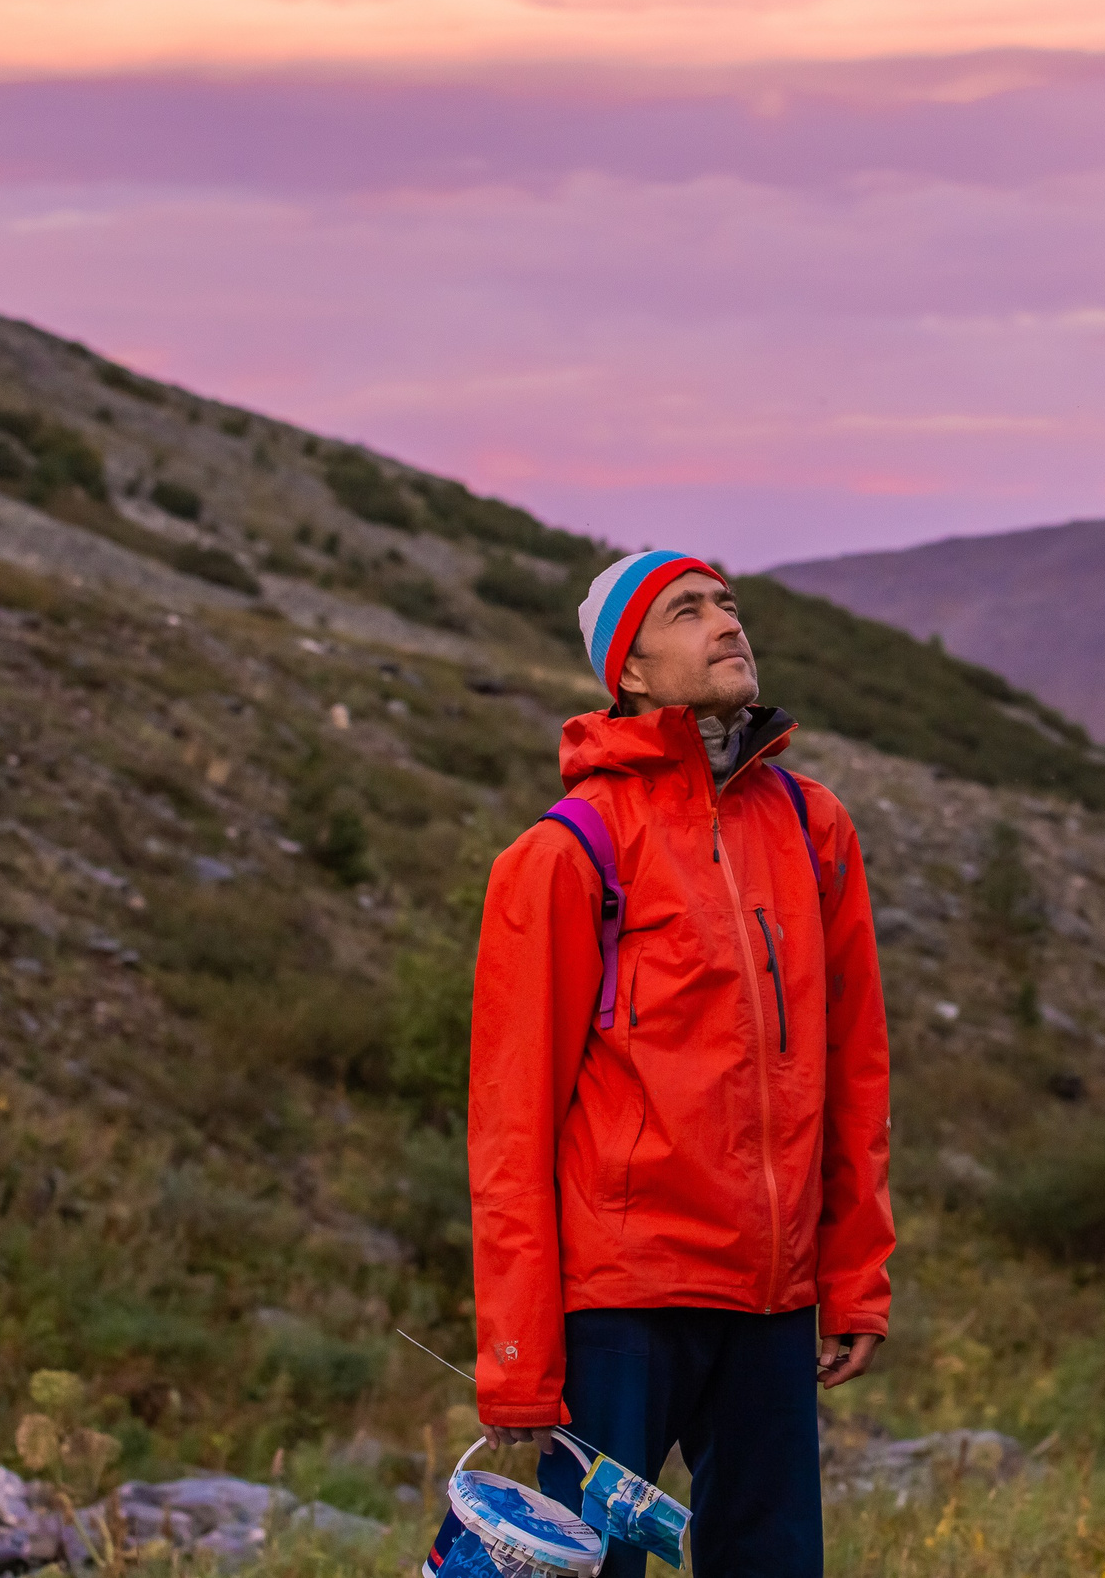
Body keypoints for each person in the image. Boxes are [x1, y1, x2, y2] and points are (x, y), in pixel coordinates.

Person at [466, 549, 896, 1577]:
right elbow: (509, 1126)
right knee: (591, 1571)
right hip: (625, 1297)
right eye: (687, 610)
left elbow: (855, 1072)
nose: (725, 623)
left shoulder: (811, 826)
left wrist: (853, 1275)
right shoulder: (567, 852)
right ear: (633, 672)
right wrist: (518, 1358)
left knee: (774, 1564)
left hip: (773, 1295)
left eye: (728, 604)